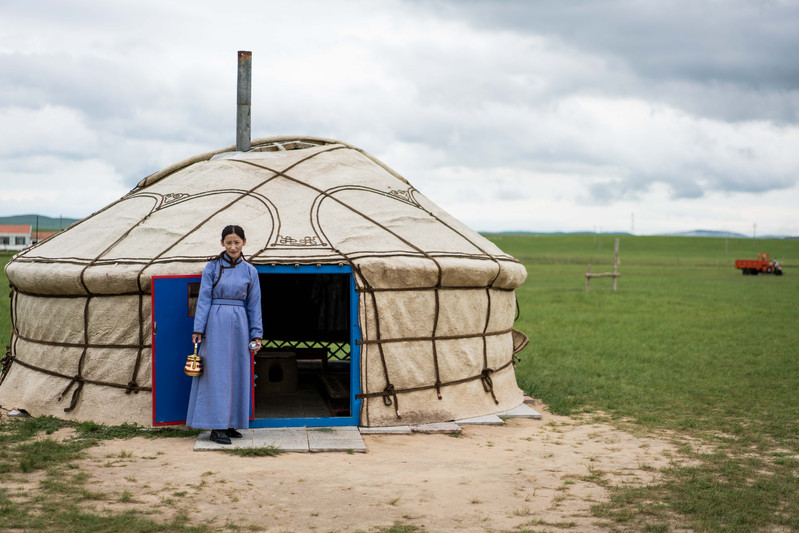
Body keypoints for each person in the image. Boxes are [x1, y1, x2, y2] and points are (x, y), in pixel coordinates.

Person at [186, 225, 263, 445]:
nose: (232, 246)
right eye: (228, 242)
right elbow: (204, 299)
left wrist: (256, 334)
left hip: (240, 323)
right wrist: (198, 329)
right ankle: (216, 426)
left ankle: (230, 423)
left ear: (244, 243)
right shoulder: (212, 268)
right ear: (222, 243)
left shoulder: (250, 271)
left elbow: (254, 304)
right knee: (217, 374)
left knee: (237, 372)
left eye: (236, 242)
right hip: (216, 322)